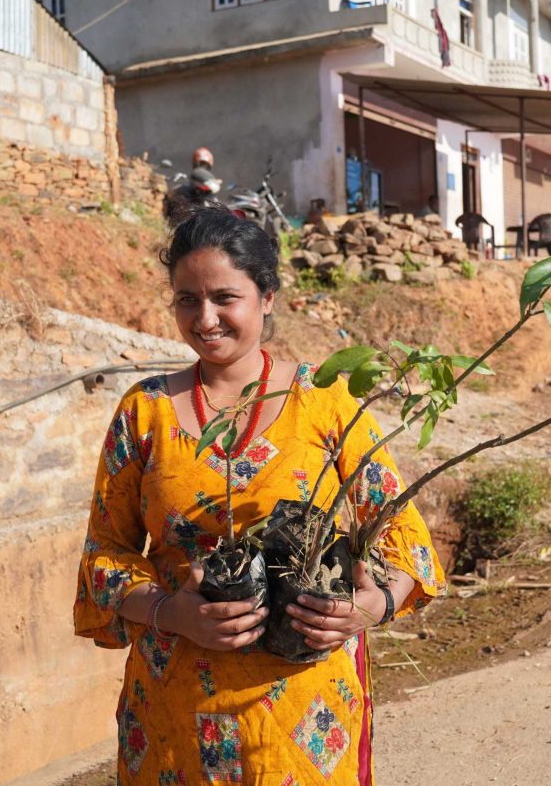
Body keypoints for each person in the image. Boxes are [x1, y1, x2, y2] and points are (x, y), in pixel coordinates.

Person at [74, 204, 445, 784]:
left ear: (267, 296)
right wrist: (172, 612)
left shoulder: (326, 403)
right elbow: (104, 556)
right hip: (174, 719)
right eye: (187, 300)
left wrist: (372, 605)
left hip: (303, 724)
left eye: (225, 297)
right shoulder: (142, 412)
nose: (206, 318)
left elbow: (406, 538)